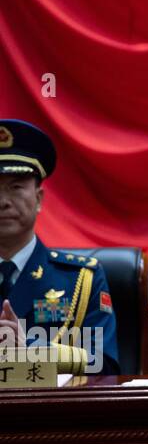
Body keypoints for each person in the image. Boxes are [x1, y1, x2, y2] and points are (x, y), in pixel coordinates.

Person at [0, 119, 118, 374]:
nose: (3, 202)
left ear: (39, 199)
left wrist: (30, 351)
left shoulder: (81, 280)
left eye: (16, 188)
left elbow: (105, 365)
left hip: (51, 411)